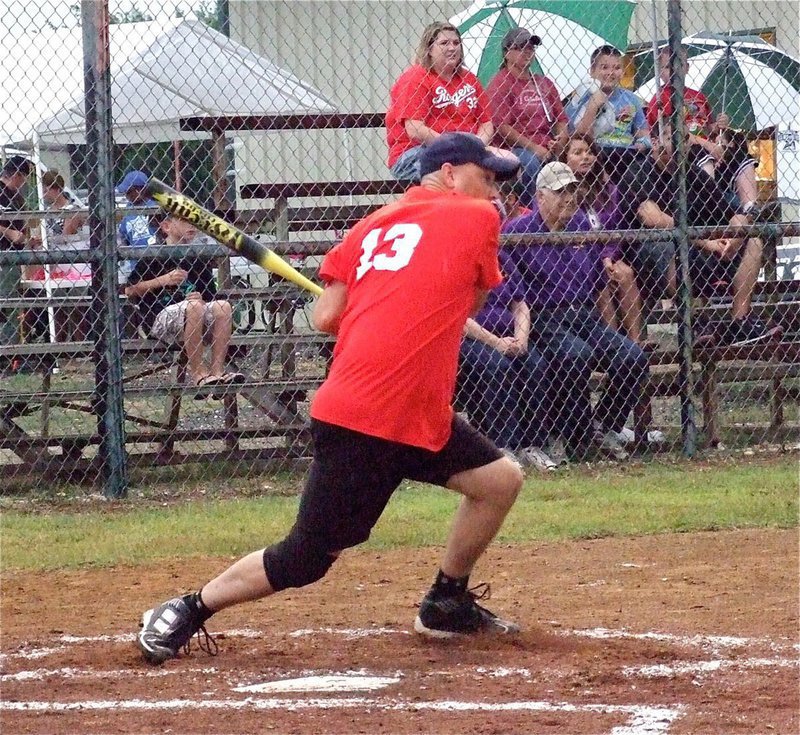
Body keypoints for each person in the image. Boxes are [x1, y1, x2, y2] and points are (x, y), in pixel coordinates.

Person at [136, 133, 524, 665]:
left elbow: (326, 317)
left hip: (411, 411)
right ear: (450, 174)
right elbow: (468, 298)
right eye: (488, 176)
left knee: (498, 480)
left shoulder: (367, 228)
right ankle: (186, 608)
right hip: (369, 417)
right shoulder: (477, 218)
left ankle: (446, 602)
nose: (496, 190)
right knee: (304, 559)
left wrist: (377, 298)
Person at [503, 162, 649, 461]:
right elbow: (512, 289)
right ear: (540, 196)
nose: (569, 197)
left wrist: (607, 260)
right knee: (574, 355)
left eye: (572, 189)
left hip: (583, 314)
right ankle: (572, 435)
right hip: (544, 316)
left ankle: (602, 426)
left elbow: (598, 274)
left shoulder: (582, 224)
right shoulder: (517, 232)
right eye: (561, 192)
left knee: (633, 357)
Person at [615, 124, 781, 347]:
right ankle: (695, 320)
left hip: (695, 253)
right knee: (669, 246)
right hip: (645, 262)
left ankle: (740, 322)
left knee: (753, 242)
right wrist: (707, 242)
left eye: (684, 139)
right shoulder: (638, 172)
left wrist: (734, 238)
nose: (680, 145)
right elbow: (652, 217)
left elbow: (735, 215)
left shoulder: (692, 174)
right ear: (655, 143)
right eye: (672, 138)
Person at [458, 249, 559, 471]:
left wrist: (521, 338)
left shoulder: (502, 258)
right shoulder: (459, 257)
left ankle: (534, 446)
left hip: (509, 337)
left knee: (535, 364)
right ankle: (502, 447)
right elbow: (459, 315)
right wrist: (495, 342)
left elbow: (520, 305)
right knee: (498, 366)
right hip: (472, 337)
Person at [125, 212, 244, 391]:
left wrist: (201, 299)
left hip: (194, 315)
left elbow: (210, 296)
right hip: (159, 318)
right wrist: (163, 280)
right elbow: (130, 290)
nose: (192, 225)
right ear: (167, 227)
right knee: (194, 307)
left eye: (194, 221)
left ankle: (218, 372)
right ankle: (198, 375)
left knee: (223, 306)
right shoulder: (154, 254)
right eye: (184, 221)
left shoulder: (197, 256)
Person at [560, 134, 644, 345]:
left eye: (589, 152)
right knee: (601, 283)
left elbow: (616, 231)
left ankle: (635, 342)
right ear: (565, 159)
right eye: (578, 153)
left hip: (606, 256)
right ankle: (613, 344)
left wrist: (607, 257)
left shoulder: (610, 191)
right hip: (576, 258)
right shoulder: (561, 194)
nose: (586, 157)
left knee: (625, 273)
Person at [386, 22, 493, 182]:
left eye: (456, 43)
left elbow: (486, 123)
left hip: (464, 153)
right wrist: (452, 149)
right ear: (429, 49)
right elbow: (415, 128)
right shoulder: (416, 77)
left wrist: (475, 146)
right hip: (416, 152)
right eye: (444, 43)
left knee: (509, 163)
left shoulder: (469, 79)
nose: (452, 48)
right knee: (461, 176)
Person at [486, 27, 568, 207]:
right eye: (521, 47)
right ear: (507, 53)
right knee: (529, 164)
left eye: (531, 47)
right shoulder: (500, 83)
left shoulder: (543, 82)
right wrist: (535, 147)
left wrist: (560, 140)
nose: (527, 51)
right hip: (516, 146)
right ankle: (534, 211)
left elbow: (561, 119)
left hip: (547, 143)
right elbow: (502, 126)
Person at [565, 45, 651, 177]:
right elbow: (579, 136)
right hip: (598, 152)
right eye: (604, 67)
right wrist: (593, 105)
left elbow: (644, 134)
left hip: (627, 153)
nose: (611, 73)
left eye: (616, 68)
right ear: (592, 71)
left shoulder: (631, 98)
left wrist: (641, 144)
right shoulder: (581, 98)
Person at [645, 46, 729, 141]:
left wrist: (719, 124)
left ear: (687, 68)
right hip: (681, 147)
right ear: (659, 72)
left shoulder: (698, 96)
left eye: (680, 65)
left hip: (704, 145)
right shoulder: (659, 99)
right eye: (668, 67)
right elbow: (662, 134)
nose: (674, 71)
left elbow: (707, 128)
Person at [0, 155, 34, 356]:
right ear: (16, 174)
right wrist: (9, 232)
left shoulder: (16, 196)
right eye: (23, 177)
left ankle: (12, 352)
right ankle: (6, 351)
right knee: (5, 304)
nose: (24, 182)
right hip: (3, 254)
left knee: (12, 304)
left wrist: (28, 240)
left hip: (14, 257)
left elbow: (22, 226)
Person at [116, 169, 157, 283]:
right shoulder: (128, 210)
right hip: (136, 265)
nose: (127, 195)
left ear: (140, 190)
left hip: (156, 261)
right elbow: (123, 237)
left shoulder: (154, 206)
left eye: (129, 192)